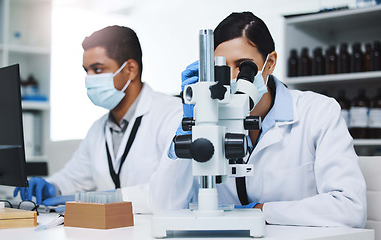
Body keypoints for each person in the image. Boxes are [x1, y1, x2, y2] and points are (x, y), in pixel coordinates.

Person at [151, 12, 367, 227]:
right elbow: (164, 206)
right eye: (223, 69)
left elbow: (349, 208)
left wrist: (262, 211)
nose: (233, 78)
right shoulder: (207, 120)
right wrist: (188, 130)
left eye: (243, 66)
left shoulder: (317, 113)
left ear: (270, 63)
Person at [14, 25, 182, 212]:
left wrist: (104, 199)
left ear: (131, 70)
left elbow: (171, 192)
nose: (89, 78)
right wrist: (51, 186)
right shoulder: (98, 128)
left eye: (98, 69)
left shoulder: (172, 115)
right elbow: (73, 178)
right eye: (86, 70)